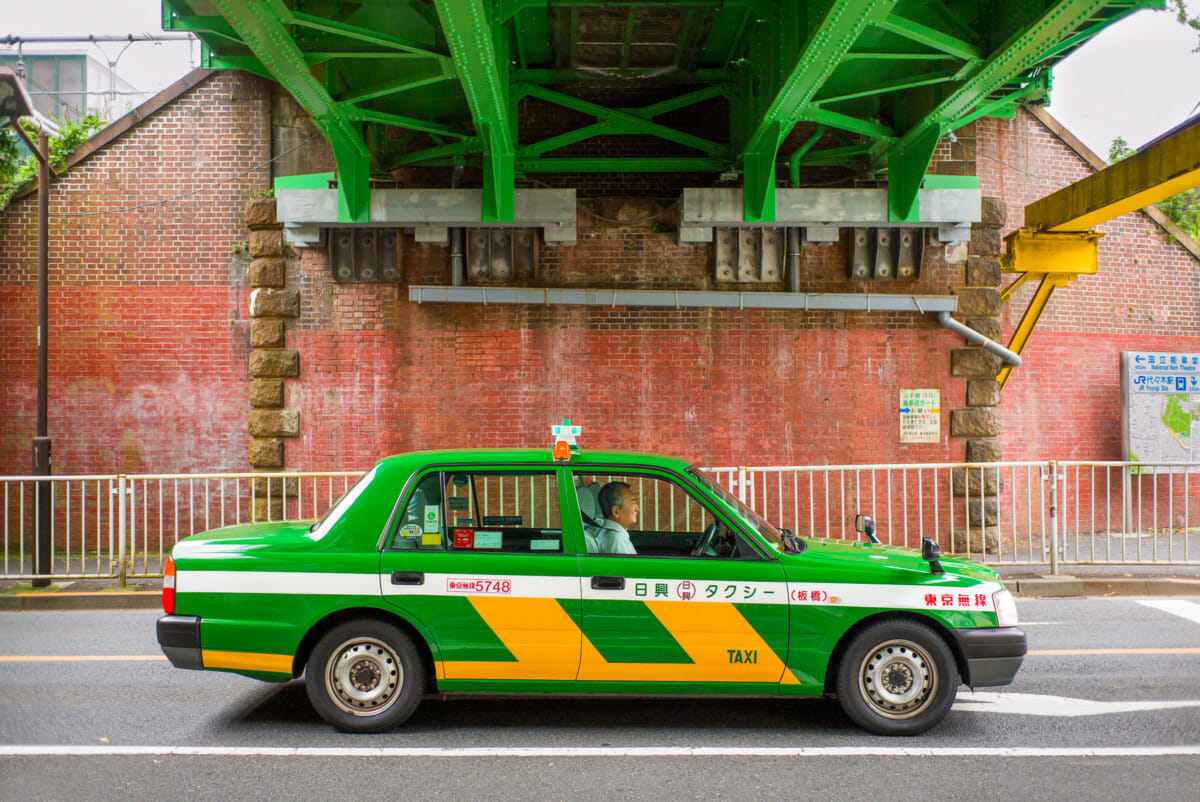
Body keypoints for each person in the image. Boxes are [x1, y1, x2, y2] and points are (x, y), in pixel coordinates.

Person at [594, 481, 638, 554]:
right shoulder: (617, 541)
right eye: (632, 503)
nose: (637, 509)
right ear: (616, 512)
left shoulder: (614, 536)